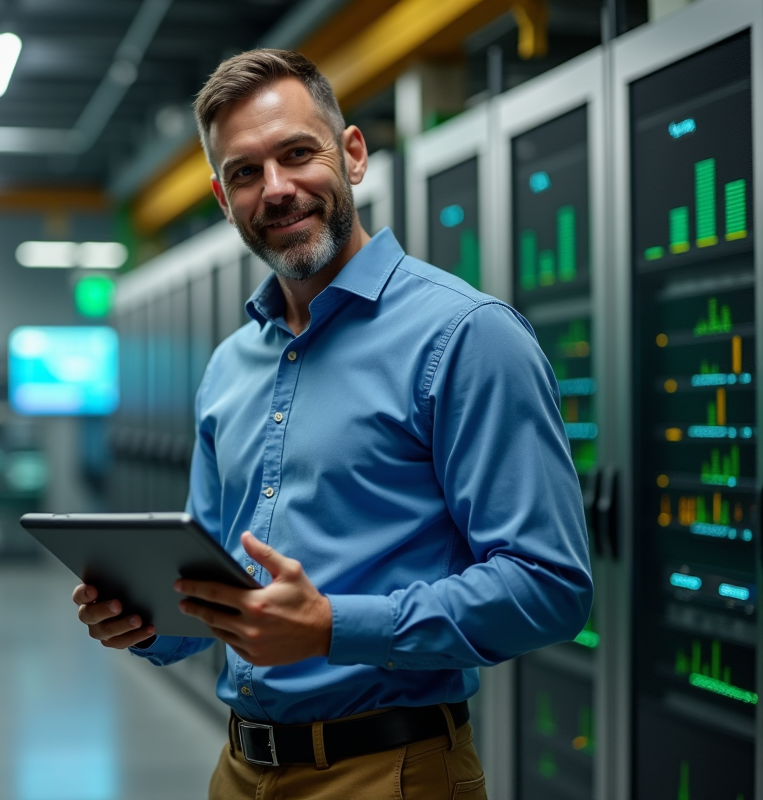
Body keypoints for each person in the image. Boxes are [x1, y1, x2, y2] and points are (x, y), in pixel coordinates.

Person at [71, 48, 592, 799]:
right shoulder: (229, 366)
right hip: (240, 770)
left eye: (296, 154)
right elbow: (217, 594)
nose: (276, 189)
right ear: (223, 199)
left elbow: (550, 586)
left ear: (351, 155)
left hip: (391, 770)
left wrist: (331, 627)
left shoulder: (467, 336)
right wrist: (149, 621)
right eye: (246, 173)